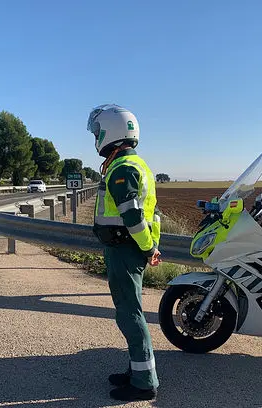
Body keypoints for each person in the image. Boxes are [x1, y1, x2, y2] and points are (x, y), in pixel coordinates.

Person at [87, 104, 162, 401]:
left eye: (97, 131)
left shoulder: (123, 169)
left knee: (130, 315)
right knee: (130, 312)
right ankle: (137, 369)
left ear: (110, 133)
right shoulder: (135, 163)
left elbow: (132, 216)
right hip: (128, 248)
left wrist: (148, 248)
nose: (95, 137)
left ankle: (144, 382)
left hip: (125, 249)